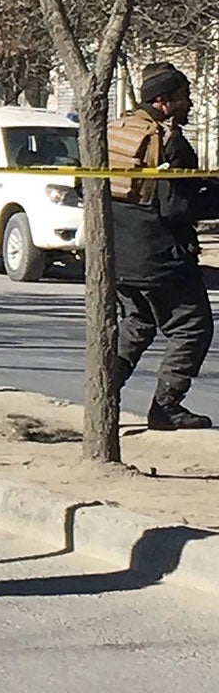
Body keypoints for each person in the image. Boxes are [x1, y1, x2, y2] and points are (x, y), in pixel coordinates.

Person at [108, 62, 219, 430]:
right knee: (192, 326)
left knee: (137, 323)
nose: (189, 104)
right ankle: (166, 407)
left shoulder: (118, 130)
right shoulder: (169, 141)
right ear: (165, 100)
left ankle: (104, 394)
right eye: (184, 97)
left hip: (117, 254)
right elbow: (177, 208)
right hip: (159, 257)